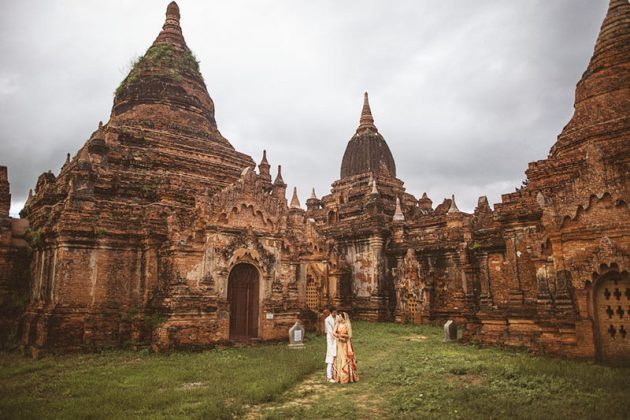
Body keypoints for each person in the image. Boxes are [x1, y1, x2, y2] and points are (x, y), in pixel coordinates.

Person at [332, 312, 359, 384]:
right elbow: (333, 332)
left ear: (343, 318)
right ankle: (339, 377)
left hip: (345, 344)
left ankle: (346, 377)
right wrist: (338, 336)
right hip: (339, 343)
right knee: (339, 358)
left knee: (345, 358)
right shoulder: (337, 324)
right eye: (339, 316)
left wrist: (343, 335)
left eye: (340, 316)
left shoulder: (347, 325)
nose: (339, 318)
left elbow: (349, 335)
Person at [324, 306, 337, 383]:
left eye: (336, 312)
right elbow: (330, 331)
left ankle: (336, 374)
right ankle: (329, 376)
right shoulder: (327, 320)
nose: (335, 314)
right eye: (334, 313)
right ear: (330, 312)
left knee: (337, 356)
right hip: (331, 340)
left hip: (337, 339)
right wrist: (338, 336)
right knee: (330, 357)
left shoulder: (338, 317)